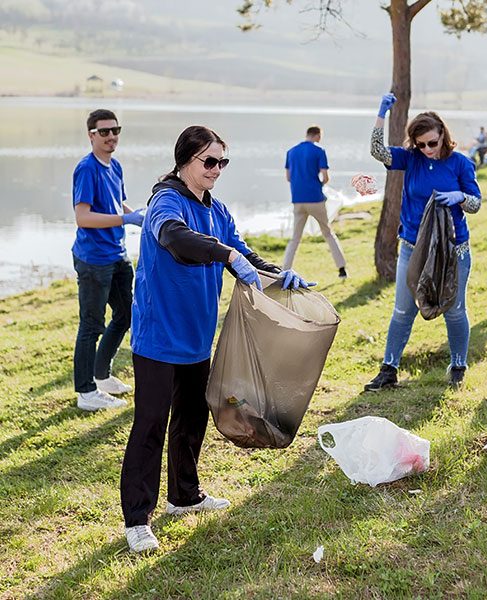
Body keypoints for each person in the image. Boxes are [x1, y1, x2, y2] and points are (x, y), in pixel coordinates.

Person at [121, 125, 313, 553]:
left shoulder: (218, 210)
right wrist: (226, 254)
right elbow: (176, 240)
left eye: (223, 162)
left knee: (192, 419)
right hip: (157, 337)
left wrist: (277, 274)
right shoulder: (165, 202)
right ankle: (137, 519)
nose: (217, 170)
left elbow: (242, 253)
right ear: (185, 160)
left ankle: (184, 497)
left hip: (196, 337)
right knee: (151, 424)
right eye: (209, 162)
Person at [365, 93, 481, 391]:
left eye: (433, 142)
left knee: (454, 310)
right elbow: (378, 151)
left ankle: (458, 366)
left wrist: (460, 197)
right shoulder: (412, 159)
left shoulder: (460, 164)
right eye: (421, 144)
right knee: (403, 310)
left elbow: (476, 204)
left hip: (453, 251)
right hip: (412, 248)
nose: (428, 149)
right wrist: (382, 113)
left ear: (443, 134)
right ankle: (388, 370)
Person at [71, 109, 145, 412]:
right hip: (93, 259)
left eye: (116, 130)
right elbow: (83, 217)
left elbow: (117, 203)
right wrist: (125, 218)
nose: (111, 136)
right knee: (91, 325)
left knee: (125, 314)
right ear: (91, 135)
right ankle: (85, 392)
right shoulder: (86, 169)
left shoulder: (114, 166)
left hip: (117, 254)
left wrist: (139, 217)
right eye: (104, 132)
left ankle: (101, 376)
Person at [283, 125, 347, 279]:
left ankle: (284, 270)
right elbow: (325, 177)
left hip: (298, 200)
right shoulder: (319, 151)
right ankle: (342, 269)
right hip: (315, 199)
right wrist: (319, 184)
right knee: (328, 233)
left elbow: (288, 177)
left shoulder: (291, 152)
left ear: (307, 135)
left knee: (295, 238)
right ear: (317, 136)